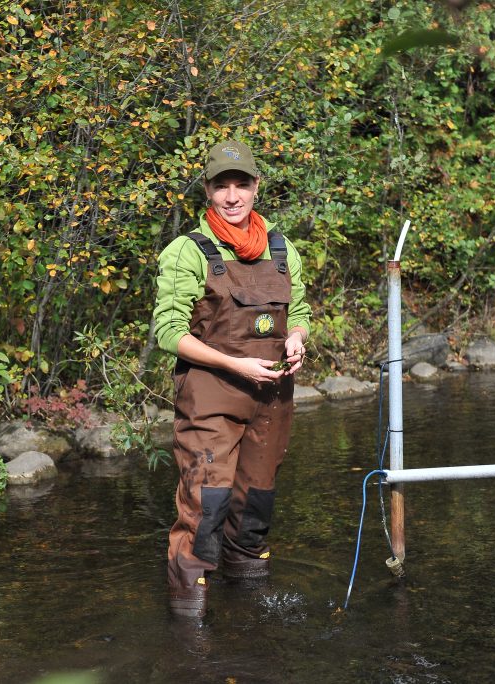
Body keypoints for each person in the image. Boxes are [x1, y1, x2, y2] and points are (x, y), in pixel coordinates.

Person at [153, 140, 311, 618]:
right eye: (222, 185)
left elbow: (298, 311)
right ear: (208, 191)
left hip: (271, 402)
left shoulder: (283, 249)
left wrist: (298, 338)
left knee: (254, 510)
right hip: (211, 400)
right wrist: (235, 364)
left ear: (256, 188)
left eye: (241, 183)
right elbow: (167, 332)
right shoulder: (188, 251)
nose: (233, 195)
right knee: (207, 509)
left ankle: (249, 616)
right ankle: (189, 626)